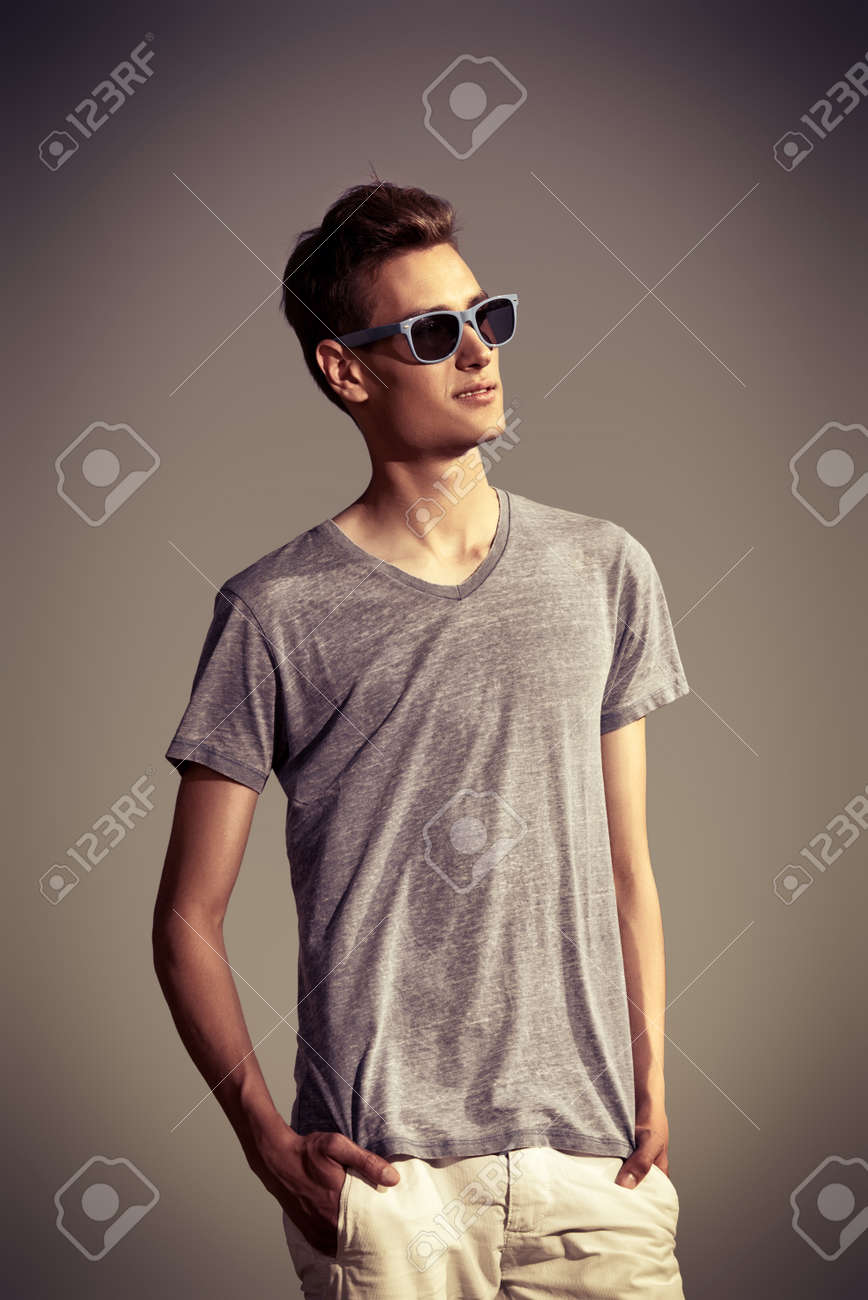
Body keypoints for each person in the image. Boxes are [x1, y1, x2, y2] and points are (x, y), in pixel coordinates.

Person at [153, 177, 691, 1298]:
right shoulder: (274, 612)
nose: (478, 352)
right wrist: (264, 1139)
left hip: (594, 1168)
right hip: (388, 1187)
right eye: (433, 332)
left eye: (486, 317)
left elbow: (626, 864)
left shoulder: (604, 569)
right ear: (346, 369)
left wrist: (649, 1081)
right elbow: (186, 919)